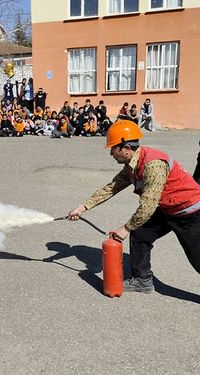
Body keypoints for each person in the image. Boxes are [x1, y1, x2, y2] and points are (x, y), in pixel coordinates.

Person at [68, 120, 200, 293]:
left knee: (197, 258)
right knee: (140, 234)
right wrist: (83, 207)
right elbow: (111, 187)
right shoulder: (132, 164)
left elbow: (147, 207)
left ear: (126, 149)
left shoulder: (153, 165)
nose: (111, 154)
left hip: (189, 212)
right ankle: (142, 280)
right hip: (167, 207)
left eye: (113, 149)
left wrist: (125, 228)